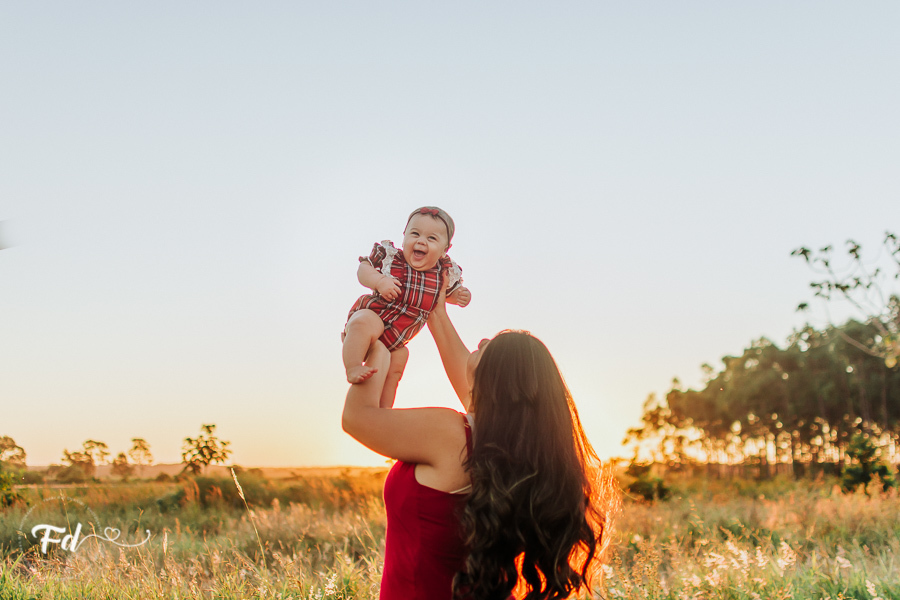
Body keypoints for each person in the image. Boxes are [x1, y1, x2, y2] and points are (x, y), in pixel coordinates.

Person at [342, 281, 610, 600]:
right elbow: (474, 394)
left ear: (497, 379)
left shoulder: (449, 434)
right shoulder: (504, 450)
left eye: (490, 346)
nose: (480, 340)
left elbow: (356, 419)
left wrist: (377, 348)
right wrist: (434, 308)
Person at [343, 206, 472, 408]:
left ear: (444, 250)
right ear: (404, 236)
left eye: (432, 238)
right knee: (364, 323)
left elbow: (447, 295)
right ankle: (352, 367)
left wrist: (459, 296)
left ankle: (384, 408)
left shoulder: (443, 273)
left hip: (399, 336)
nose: (421, 241)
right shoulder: (392, 258)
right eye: (415, 233)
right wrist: (378, 281)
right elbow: (363, 268)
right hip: (377, 313)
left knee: (398, 363)